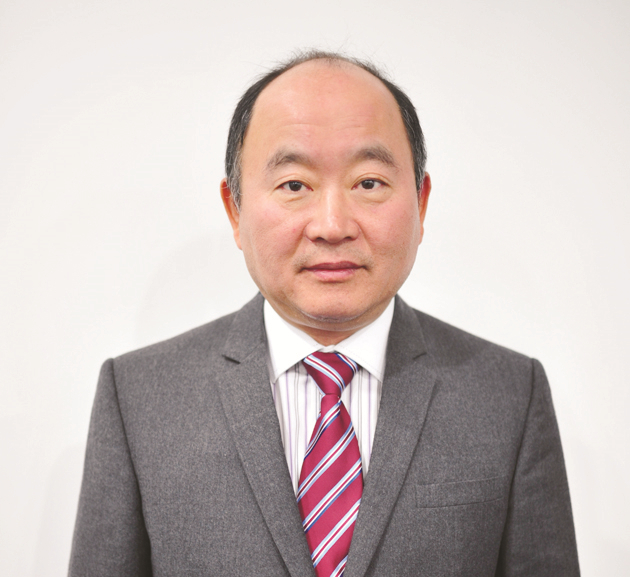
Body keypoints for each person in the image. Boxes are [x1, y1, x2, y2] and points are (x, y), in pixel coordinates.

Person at [69, 51, 580, 577]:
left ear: (421, 203)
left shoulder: (509, 395)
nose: (332, 226)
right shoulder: (138, 398)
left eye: (368, 183)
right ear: (235, 210)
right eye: (294, 185)